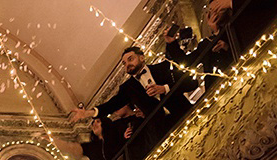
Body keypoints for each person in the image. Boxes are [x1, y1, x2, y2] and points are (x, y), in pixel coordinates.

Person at [70, 46, 199, 147]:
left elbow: (191, 83)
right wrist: (87, 113)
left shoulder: (164, 67)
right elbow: (112, 105)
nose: (127, 65)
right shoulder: (128, 88)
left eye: (130, 59)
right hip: (161, 133)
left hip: (186, 114)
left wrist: (164, 88)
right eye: (124, 63)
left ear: (142, 58)